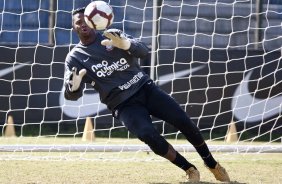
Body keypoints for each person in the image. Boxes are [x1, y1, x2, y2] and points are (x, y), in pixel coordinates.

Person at [64, 7, 230, 183]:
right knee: (148, 136)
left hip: (145, 88)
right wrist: (72, 88)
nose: (83, 24)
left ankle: (212, 164)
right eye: (78, 22)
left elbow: (144, 51)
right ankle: (189, 169)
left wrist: (126, 45)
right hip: (123, 105)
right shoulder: (74, 57)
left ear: (94, 21)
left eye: (85, 20)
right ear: (74, 27)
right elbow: (72, 96)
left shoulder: (112, 35)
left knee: (183, 121)